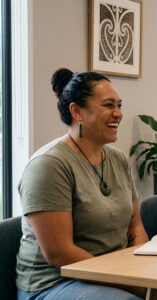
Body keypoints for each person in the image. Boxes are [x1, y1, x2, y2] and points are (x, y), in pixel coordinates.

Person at [16, 68, 148, 299]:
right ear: (77, 111)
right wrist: (128, 282)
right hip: (55, 283)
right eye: (108, 105)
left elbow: (135, 227)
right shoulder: (49, 164)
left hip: (112, 273)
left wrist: (140, 274)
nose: (118, 113)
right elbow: (59, 254)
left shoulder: (117, 159)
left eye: (119, 105)